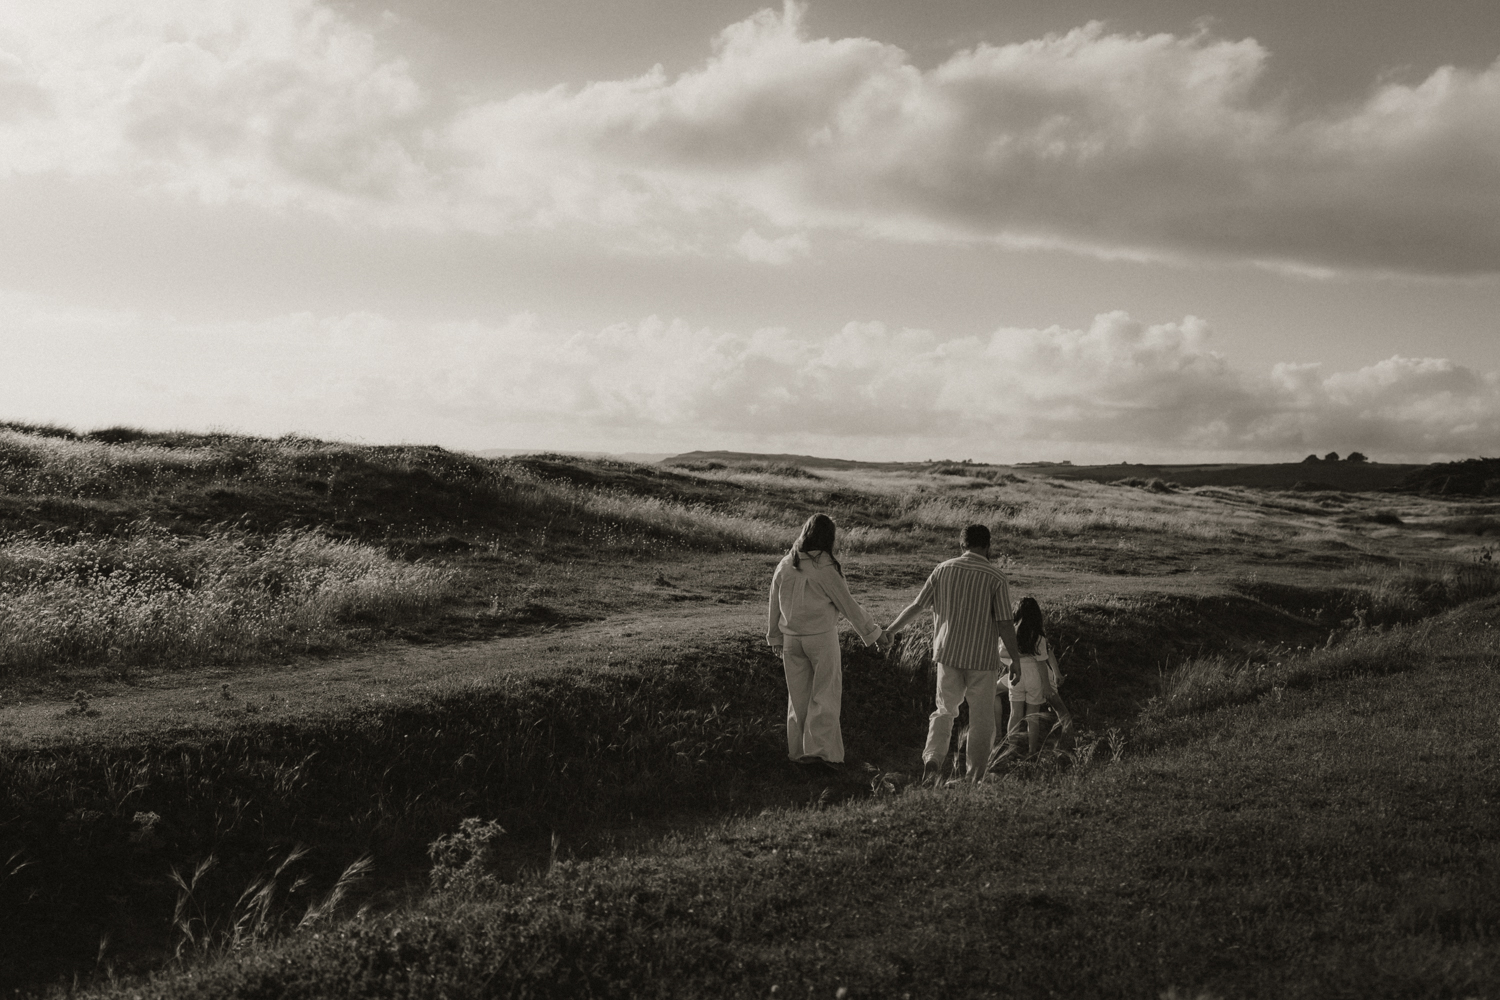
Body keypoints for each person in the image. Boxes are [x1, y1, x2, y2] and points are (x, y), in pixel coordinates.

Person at [884, 524, 1024, 784]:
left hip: (947, 654)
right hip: (981, 659)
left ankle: (933, 759)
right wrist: (1015, 659)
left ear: (962, 545)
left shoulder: (943, 569)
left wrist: (891, 630)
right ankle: (974, 777)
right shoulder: (996, 577)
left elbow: (918, 606)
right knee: (981, 719)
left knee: (944, 710)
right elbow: (1005, 622)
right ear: (988, 546)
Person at [766, 513, 884, 770]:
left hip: (790, 640)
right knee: (825, 695)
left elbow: (773, 603)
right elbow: (848, 605)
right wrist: (873, 634)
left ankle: (797, 754)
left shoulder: (786, 563)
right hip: (820, 638)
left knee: (797, 699)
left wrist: (774, 635)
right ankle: (820, 755)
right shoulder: (825, 567)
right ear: (828, 537)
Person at [997, 596, 1074, 759]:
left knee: (1015, 714)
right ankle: (1032, 751)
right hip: (1035, 677)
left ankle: (1012, 749)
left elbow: (1000, 653)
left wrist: (1017, 655)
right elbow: (1040, 663)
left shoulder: (1011, 633)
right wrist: (1046, 685)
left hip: (1015, 675)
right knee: (1033, 717)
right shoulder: (1039, 637)